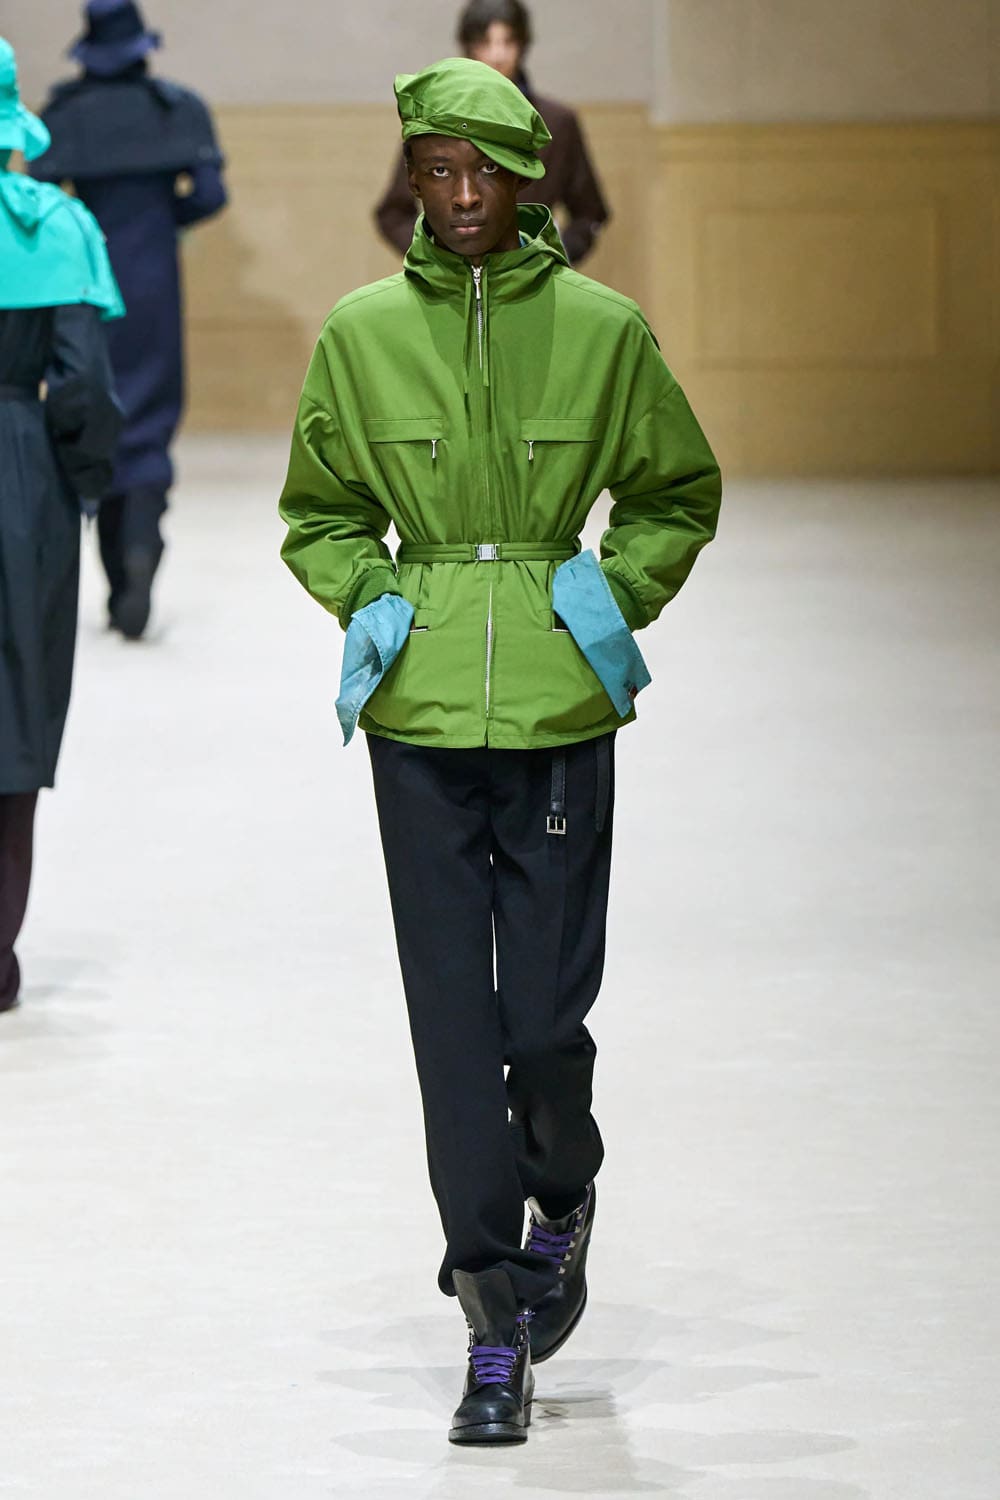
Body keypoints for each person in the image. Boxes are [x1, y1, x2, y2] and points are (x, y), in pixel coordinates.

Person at [279, 58, 721, 1445]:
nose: (461, 195)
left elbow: (675, 490)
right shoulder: (360, 334)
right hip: (415, 718)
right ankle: (491, 1317)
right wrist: (374, 599)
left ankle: (563, 1188)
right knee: (452, 1028)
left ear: (526, 178)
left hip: (556, 713)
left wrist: (602, 605)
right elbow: (319, 511)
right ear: (411, 179)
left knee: (541, 1018)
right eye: (436, 170)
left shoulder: (602, 330)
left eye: (483, 171)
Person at [32, 0, 227, 640]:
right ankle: (140, 555)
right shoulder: (177, 108)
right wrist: (161, 222)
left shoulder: (64, 114)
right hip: (152, 285)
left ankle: (118, 571)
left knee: (95, 407)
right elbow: (210, 192)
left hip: (84, 283)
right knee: (150, 416)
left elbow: (40, 196)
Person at [0, 37, 123, 1014]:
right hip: (20, 474)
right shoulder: (57, 226)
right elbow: (82, 385)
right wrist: (78, 484)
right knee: (17, 708)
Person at [374, 0, 609, 266]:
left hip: (531, 275)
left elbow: (590, 212)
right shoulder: (436, 122)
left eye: (508, 42)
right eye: (485, 42)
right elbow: (392, 213)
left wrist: (555, 256)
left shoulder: (557, 123)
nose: (497, 55)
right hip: (453, 277)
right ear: (468, 47)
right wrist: (435, 261)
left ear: (523, 45)